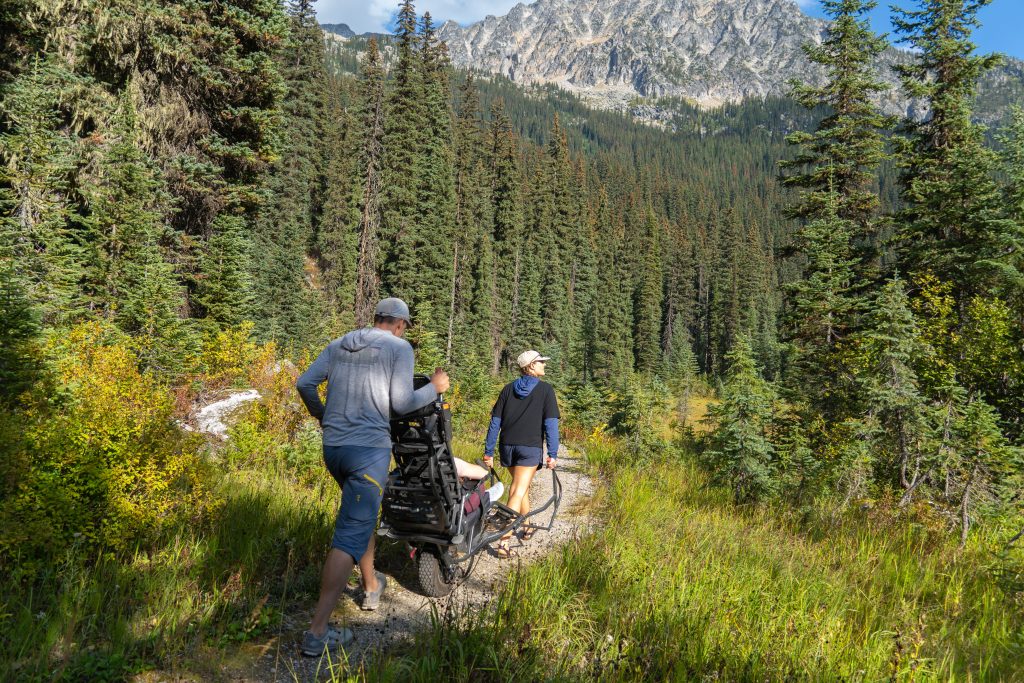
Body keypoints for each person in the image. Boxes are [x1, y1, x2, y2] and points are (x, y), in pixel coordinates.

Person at [295, 297, 449, 656]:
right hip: (368, 452)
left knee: (360, 516)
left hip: (334, 449)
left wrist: (323, 415)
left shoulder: (339, 343)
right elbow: (400, 403)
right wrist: (434, 388)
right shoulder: (399, 348)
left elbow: (305, 384)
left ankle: (370, 586)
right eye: (405, 327)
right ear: (399, 324)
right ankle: (316, 632)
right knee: (350, 531)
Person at [483, 350, 559, 558]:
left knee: (521, 488)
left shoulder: (507, 390)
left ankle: (526, 527)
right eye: (541, 361)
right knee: (517, 491)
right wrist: (552, 453)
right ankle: (503, 542)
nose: (544, 364)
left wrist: (488, 451)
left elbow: (495, 423)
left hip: (507, 447)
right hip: (529, 448)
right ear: (531, 366)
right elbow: (550, 423)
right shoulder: (546, 390)